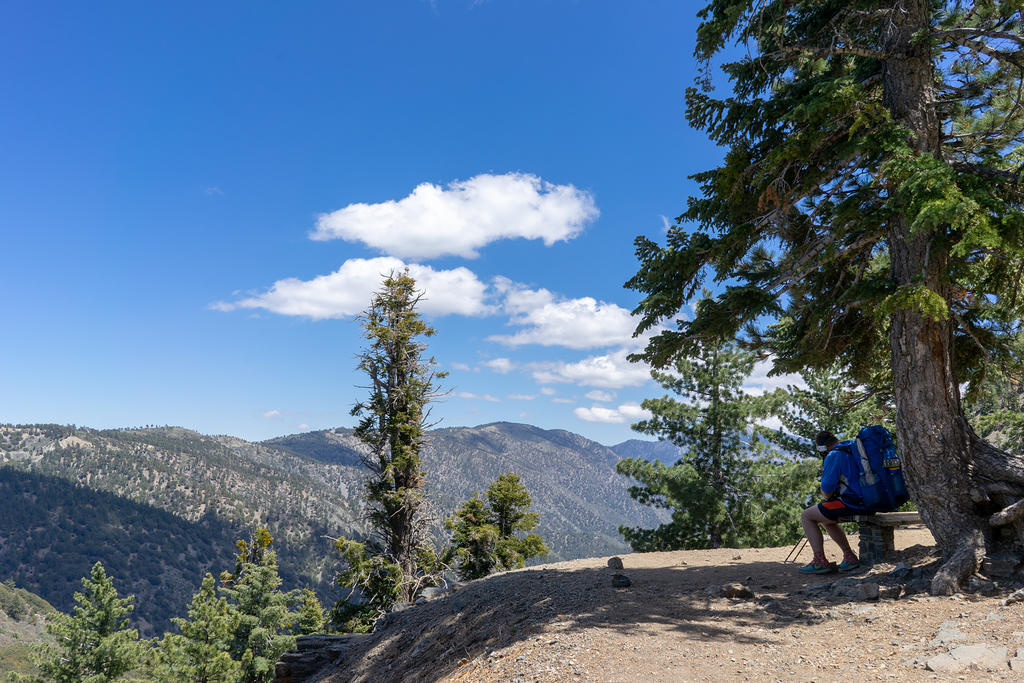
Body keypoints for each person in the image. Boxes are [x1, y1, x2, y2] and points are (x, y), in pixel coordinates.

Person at [798, 430, 869, 574]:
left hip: (852, 503)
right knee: (826, 518)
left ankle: (820, 562)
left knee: (807, 516)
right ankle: (849, 557)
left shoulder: (834, 455)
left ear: (822, 449)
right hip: (869, 500)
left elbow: (827, 491)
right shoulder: (852, 447)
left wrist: (827, 494)